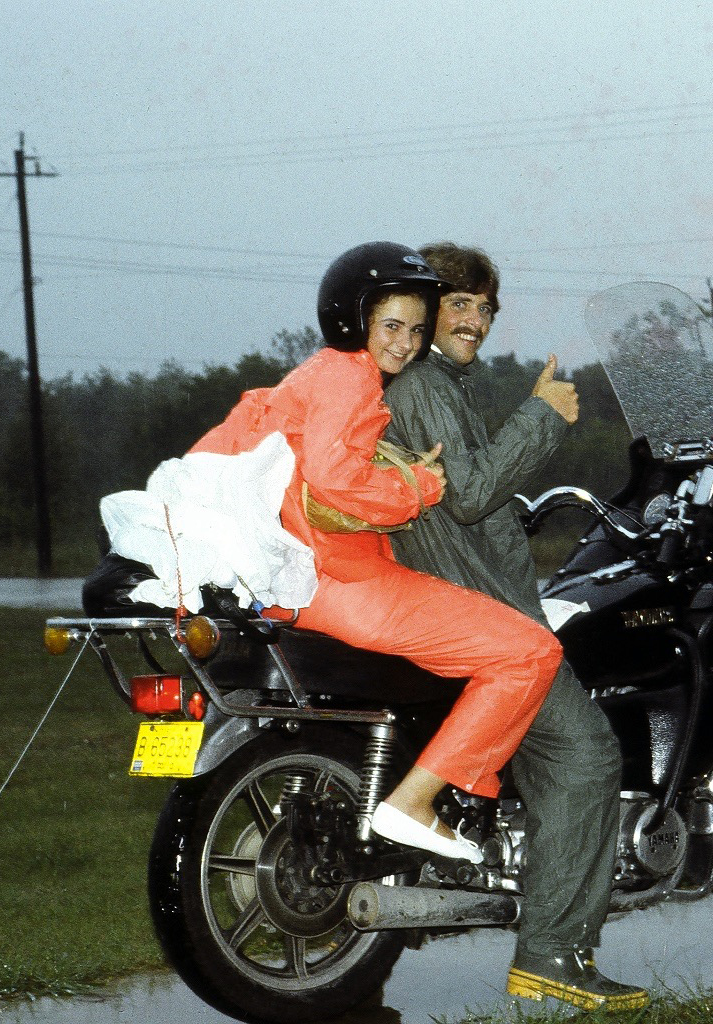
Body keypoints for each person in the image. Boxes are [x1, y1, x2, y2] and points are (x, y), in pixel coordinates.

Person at [189, 241, 560, 864]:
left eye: (417, 329)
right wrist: (424, 483)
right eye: (391, 325)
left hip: (298, 582)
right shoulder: (348, 373)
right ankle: (415, 801)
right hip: (344, 581)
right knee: (530, 651)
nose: (406, 343)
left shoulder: (308, 376)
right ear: (352, 318)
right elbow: (339, 482)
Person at [383, 242, 645, 1011]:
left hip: (465, 597)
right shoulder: (426, 382)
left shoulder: (436, 385)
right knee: (588, 756)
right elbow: (468, 493)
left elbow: (467, 491)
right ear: (428, 308)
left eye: (487, 308)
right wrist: (541, 416)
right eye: (460, 304)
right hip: (479, 612)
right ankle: (554, 957)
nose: (476, 320)